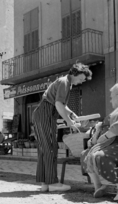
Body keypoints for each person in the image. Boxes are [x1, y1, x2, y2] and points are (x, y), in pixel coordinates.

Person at [32, 62, 92, 192]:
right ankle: (53, 183)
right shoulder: (65, 83)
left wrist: (71, 113)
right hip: (46, 113)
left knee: (45, 149)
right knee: (51, 148)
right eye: (81, 78)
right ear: (75, 73)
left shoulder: (64, 82)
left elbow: (61, 104)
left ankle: (45, 183)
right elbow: (58, 104)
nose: (81, 82)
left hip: (42, 113)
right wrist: (69, 121)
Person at [81, 83, 118, 200]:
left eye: (112, 97)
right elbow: (107, 125)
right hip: (116, 144)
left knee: (100, 156)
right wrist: (97, 132)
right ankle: (98, 186)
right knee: (85, 154)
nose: (110, 100)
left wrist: (106, 136)